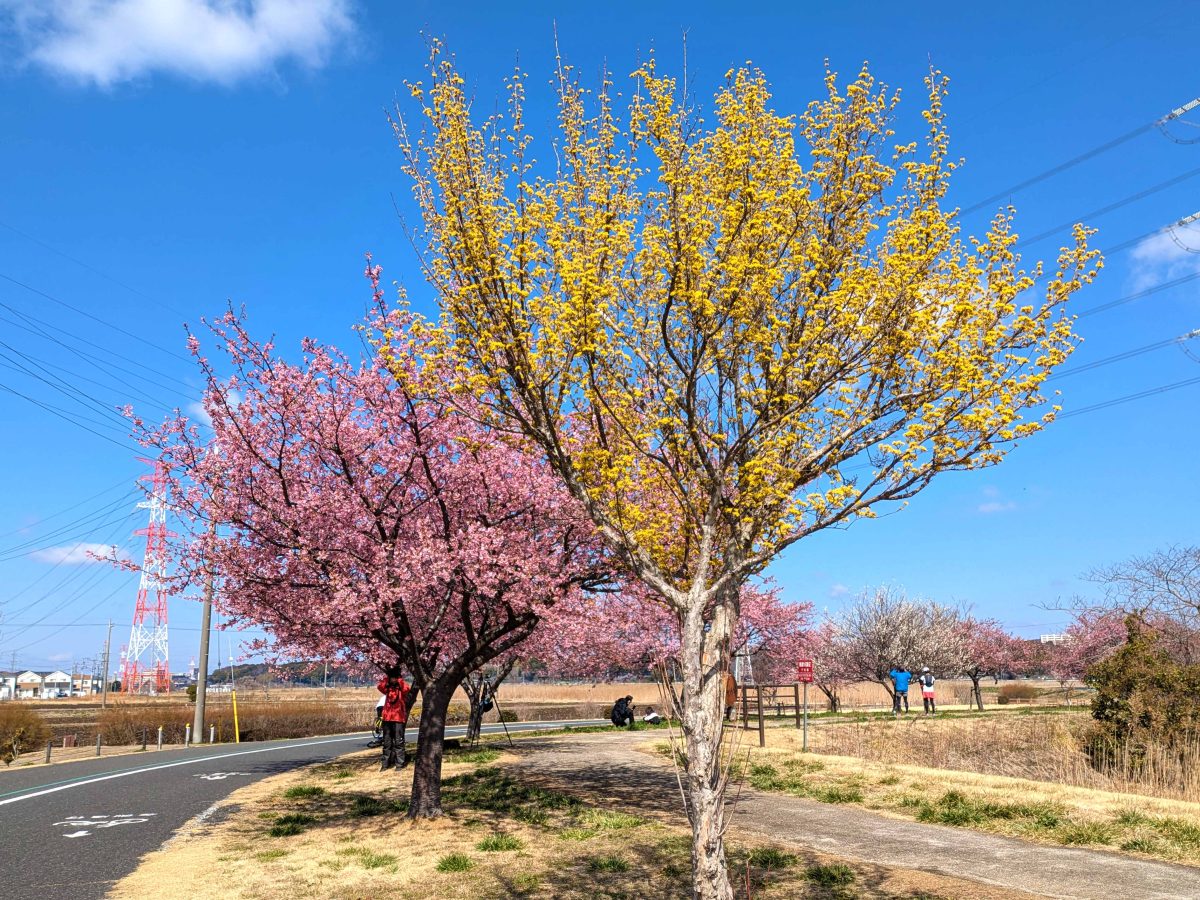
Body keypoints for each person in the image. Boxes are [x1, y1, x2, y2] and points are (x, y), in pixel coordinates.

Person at [376, 669, 415, 770]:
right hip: (387, 718)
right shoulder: (387, 689)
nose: (393, 680)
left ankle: (399, 764)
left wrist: (399, 680)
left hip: (398, 718)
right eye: (391, 678)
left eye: (394, 677)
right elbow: (379, 686)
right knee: (387, 742)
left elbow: (407, 689)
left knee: (399, 742)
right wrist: (387, 679)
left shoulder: (401, 689)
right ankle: (385, 764)